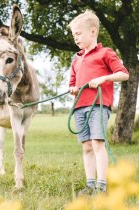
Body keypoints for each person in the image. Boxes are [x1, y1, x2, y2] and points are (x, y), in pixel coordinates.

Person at [67, 10, 129, 196]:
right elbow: (72, 83)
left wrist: (103, 79)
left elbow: (124, 74)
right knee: (86, 146)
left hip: (98, 106)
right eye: (73, 35)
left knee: (97, 144)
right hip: (79, 107)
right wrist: (73, 89)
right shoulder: (76, 59)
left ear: (92, 32)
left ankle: (101, 186)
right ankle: (90, 185)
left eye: (78, 34)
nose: (75, 38)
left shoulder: (105, 53)